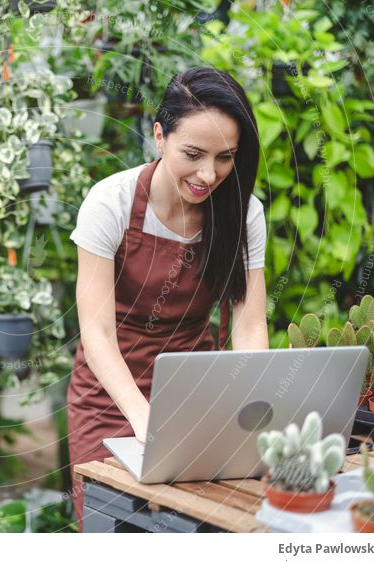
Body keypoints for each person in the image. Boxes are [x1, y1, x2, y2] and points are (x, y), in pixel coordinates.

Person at [67, 67, 269, 531]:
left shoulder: (243, 213)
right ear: (159, 136)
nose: (207, 175)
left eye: (225, 158)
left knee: (194, 530)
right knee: (113, 531)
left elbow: (249, 323)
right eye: (193, 154)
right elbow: (95, 332)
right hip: (109, 399)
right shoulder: (110, 203)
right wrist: (143, 418)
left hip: (195, 398)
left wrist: (252, 407)